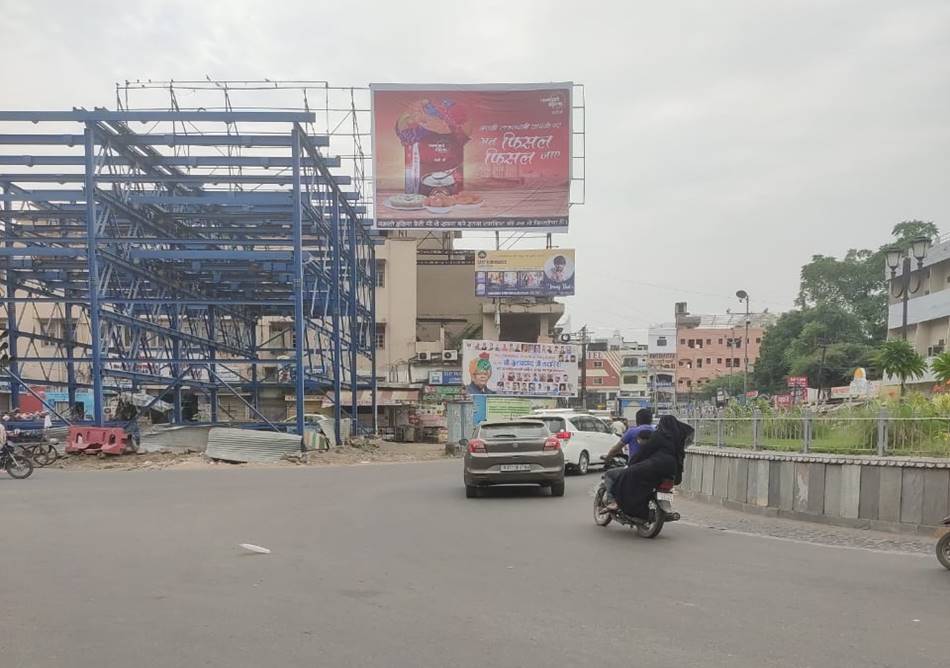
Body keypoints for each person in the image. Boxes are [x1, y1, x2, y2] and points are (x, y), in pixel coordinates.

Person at [614, 415, 694, 523]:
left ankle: (633, 510)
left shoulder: (659, 435)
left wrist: (632, 463)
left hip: (657, 465)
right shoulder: (677, 440)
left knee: (626, 474)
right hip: (671, 469)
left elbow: (645, 451)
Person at [600, 409, 654, 509]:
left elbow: (616, 449)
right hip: (654, 469)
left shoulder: (632, 432)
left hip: (635, 468)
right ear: (651, 420)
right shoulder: (657, 432)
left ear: (637, 420)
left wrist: (607, 458)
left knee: (609, 474)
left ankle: (612, 501)